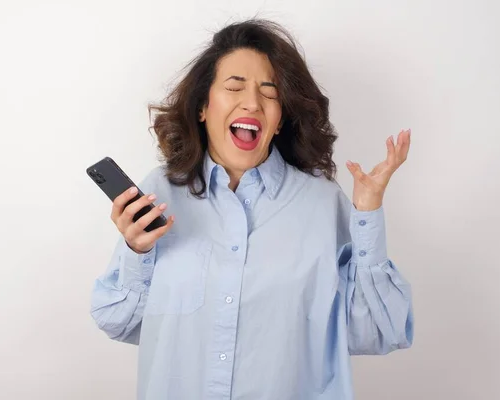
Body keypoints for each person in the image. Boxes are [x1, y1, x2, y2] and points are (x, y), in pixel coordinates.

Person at [90, 19, 413, 400]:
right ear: (202, 108)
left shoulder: (323, 204)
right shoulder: (160, 191)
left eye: (269, 91)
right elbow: (116, 320)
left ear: (279, 122)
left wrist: (367, 216)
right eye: (234, 86)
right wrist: (136, 253)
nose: (252, 101)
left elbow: (377, 332)